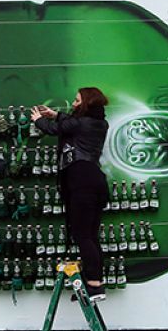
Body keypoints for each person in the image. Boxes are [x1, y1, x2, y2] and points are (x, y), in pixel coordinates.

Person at [32, 87, 112, 300]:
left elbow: (55, 129)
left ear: (86, 103)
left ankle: (94, 284)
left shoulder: (80, 123)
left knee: (82, 235)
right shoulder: (99, 123)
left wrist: (39, 120)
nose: (74, 103)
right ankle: (95, 281)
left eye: (77, 101)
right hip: (95, 180)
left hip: (81, 180)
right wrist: (56, 114)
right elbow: (71, 123)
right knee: (91, 235)